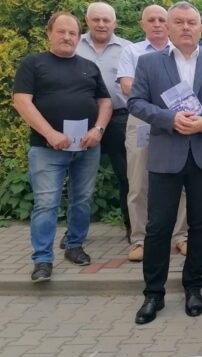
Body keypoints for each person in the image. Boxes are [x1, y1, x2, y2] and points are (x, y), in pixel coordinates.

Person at [128, 2, 202, 325]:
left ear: (201, 28)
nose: (187, 27)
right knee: (158, 226)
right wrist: (169, 118)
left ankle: (193, 286)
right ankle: (153, 293)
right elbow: (135, 102)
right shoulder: (149, 63)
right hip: (166, 153)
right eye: (180, 22)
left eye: (192, 22)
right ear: (168, 28)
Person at [13, 12, 112, 282]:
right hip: (47, 148)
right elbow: (22, 101)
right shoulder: (34, 63)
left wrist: (99, 130)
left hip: (87, 147)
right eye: (62, 32)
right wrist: (50, 133)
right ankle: (43, 259)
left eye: (72, 33)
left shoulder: (89, 66)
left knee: (82, 199)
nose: (67, 37)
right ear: (49, 34)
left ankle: (74, 245)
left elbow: (105, 102)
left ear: (79, 37)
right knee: (46, 203)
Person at [117, 5, 189, 262]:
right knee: (138, 182)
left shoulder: (182, 51)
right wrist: (165, 105)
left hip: (181, 122)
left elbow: (190, 88)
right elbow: (128, 87)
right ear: (142, 24)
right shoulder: (132, 51)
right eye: (152, 20)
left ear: (168, 24)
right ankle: (139, 239)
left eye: (162, 19)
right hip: (143, 122)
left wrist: (151, 92)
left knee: (180, 179)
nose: (158, 24)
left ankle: (181, 236)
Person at [74, 3, 132, 245]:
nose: (101, 24)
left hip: (119, 117)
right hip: (81, 120)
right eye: (96, 19)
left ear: (114, 23)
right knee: (78, 177)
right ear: (87, 21)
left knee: (127, 176)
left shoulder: (128, 49)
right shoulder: (74, 46)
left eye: (106, 20)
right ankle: (75, 233)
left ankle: (133, 228)